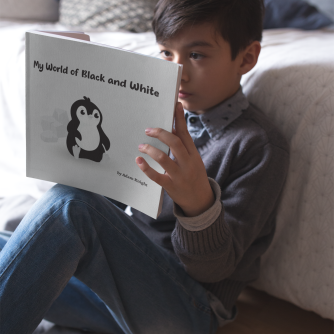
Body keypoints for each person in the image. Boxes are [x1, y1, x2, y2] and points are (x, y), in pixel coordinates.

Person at [0, 0, 290, 333]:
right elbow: (109, 213)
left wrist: (198, 206)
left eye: (196, 55)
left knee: (69, 205)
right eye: (167, 54)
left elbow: (214, 271)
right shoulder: (156, 114)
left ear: (247, 57)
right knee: (18, 240)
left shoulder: (257, 146)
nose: (178, 71)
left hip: (189, 308)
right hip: (113, 291)